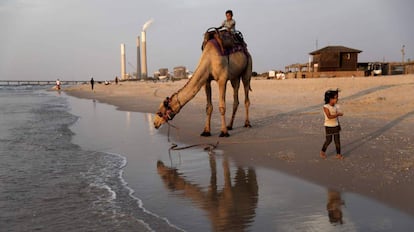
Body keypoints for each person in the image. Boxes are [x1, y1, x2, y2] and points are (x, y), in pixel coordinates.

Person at [320, 89, 344, 159]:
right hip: (328, 126)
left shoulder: (336, 106)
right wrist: (338, 114)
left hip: (336, 125)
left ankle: (338, 154)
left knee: (337, 141)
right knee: (329, 140)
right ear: (330, 99)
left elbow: (337, 117)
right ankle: (322, 151)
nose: (337, 99)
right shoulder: (326, 107)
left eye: (337, 98)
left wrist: (339, 125)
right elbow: (329, 116)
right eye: (336, 98)